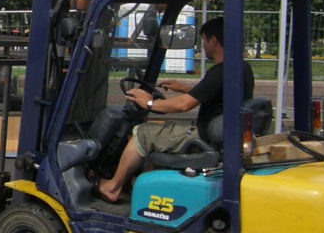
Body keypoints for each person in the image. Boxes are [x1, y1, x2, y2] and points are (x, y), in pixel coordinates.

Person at [96, 17, 253, 204]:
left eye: (203, 40)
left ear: (213, 40)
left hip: (202, 135)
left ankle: (112, 186)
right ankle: (140, 185)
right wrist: (184, 88)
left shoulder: (220, 71)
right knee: (158, 129)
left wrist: (149, 104)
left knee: (142, 133)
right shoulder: (241, 68)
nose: (203, 46)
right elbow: (217, 93)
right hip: (220, 133)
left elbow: (183, 105)